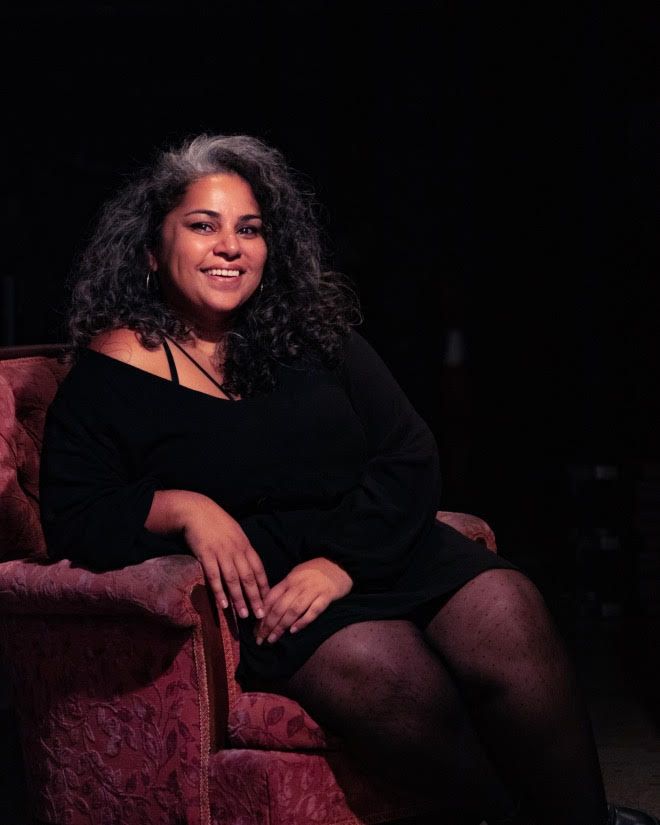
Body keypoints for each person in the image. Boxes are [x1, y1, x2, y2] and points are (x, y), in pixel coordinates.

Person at [38, 133, 656, 825]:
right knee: (381, 668)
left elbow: (409, 453)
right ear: (153, 250)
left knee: (508, 605)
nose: (230, 246)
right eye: (204, 226)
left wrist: (341, 562)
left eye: (250, 229)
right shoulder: (112, 371)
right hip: (277, 589)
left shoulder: (311, 336)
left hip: (371, 545)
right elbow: (73, 513)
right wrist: (182, 507)